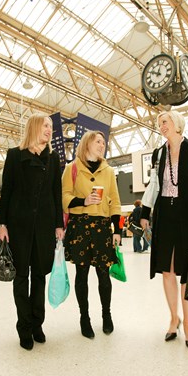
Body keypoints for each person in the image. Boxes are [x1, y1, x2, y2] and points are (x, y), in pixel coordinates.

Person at [140, 110, 188, 352]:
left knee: (187, 271)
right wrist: (144, 213)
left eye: (165, 121)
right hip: (165, 216)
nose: (161, 126)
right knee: (167, 270)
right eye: (159, 123)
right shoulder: (159, 153)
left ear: (177, 123)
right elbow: (154, 184)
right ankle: (174, 318)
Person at [0, 113, 64, 351]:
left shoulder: (53, 159)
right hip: (18, 225)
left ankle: (37, 324)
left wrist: (59, 224)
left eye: (50, 126)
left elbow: (57, 192)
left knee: (39, 275)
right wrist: (2, 223)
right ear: (34, 127)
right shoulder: (15, 155)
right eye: (45, 125)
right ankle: (24, 327)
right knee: (20, 276)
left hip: (44, 226)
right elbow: (7, 190)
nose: (49, 129)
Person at [63, 130, 122, 340]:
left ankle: (107, 315)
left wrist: (118, 230)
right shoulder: (71, 168)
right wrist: (83, 201)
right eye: (98, 141)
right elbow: (64, 196)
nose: (102, 145)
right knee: (81, 274)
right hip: (80, 226)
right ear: (87, 143)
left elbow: (115, 200)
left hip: (103, 227)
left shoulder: (108, 171)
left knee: (104, 275)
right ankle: (84, 318)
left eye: (104, 142)